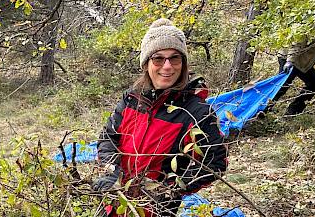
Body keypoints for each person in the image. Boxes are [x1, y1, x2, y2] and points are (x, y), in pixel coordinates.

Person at [93, 19, 227, 217]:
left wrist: (169, 190)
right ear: (147, 63)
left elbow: (215, 163)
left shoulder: (196, 112)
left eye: (174, 58)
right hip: (115, 204)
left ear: (183, 63)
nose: (167, 67)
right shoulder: (133, 98)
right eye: (158, 58)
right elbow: (108, 137)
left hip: (157, 210)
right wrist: (111, 170)